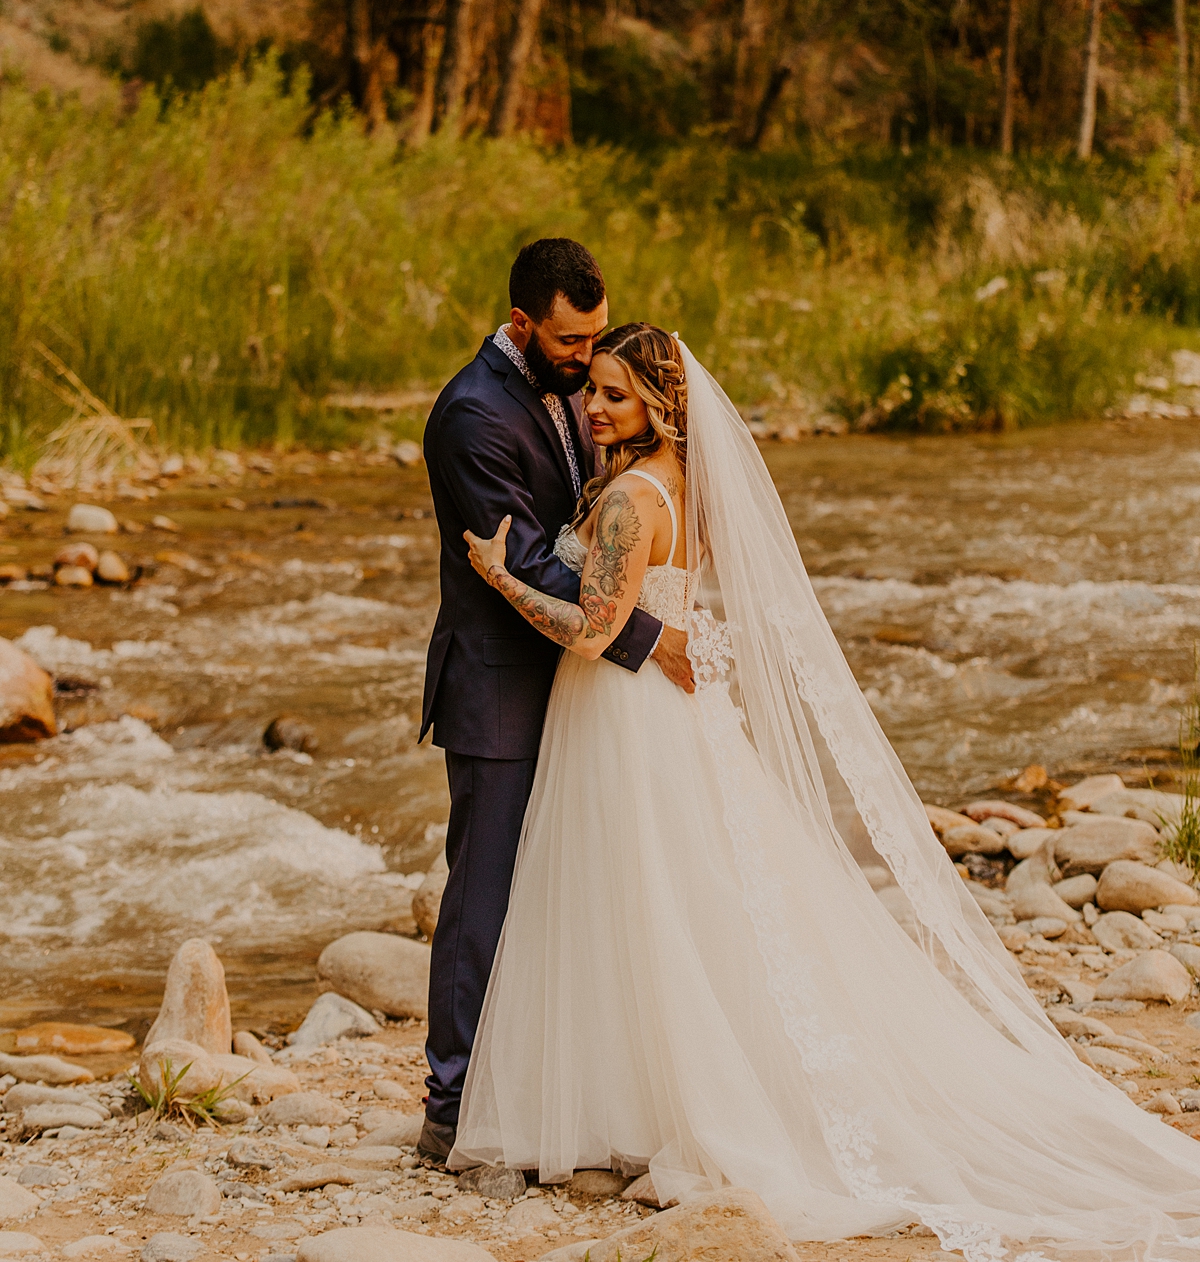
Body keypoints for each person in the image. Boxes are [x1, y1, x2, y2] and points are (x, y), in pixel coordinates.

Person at [454, 322, 1200, 1260]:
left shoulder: (632, 501)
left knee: (649, 899)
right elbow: (666, 608)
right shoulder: (687, 487)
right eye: (593, 391)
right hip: (668, 712)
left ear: (657, 404)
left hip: (625, 714)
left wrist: (498, 576)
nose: (593, 408)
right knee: (685, 902)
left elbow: (598, 632)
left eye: (613, 394)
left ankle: (678, 1102)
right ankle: (648, 1097)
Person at [418, 242, 692, 1162]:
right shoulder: (469, 416)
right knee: (485, 894)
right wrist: (654, 639)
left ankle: (568, 1089)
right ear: (524, 324)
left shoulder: (580, 382)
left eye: (592, 342)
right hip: (502, 682)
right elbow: (528, 560)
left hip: (584, 688)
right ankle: (452, 1103)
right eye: (571, 344)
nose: (586, 362)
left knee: (586, 889)